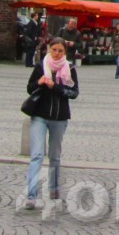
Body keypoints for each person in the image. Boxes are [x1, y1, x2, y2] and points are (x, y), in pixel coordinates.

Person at [23, 37, 79, 208]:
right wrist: (39, 82)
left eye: (60, 50)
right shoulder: (41, 66)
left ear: (65, 52)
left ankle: (54, 189)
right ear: (49, 49)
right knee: (37, 155)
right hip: (39, 115)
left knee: (54, 156)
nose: (56, 53)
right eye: (54, 49)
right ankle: (31, 195)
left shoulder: (70, 69)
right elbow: (30, 87)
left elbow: (74, 92)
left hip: (59, 118)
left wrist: (55, 86)